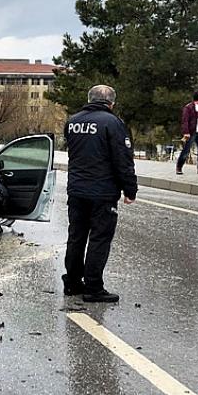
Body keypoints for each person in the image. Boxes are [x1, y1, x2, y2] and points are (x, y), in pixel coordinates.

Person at [63, 85, 137, 303]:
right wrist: (130, 189)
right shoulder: (113, 123)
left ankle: (73, 283)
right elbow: (123, 161)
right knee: (99, 238)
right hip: (102, 193)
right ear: (111, 103)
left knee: (76, 237)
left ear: (89, 99)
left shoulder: (73, 121)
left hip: (76, 191)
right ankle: (93, 288)